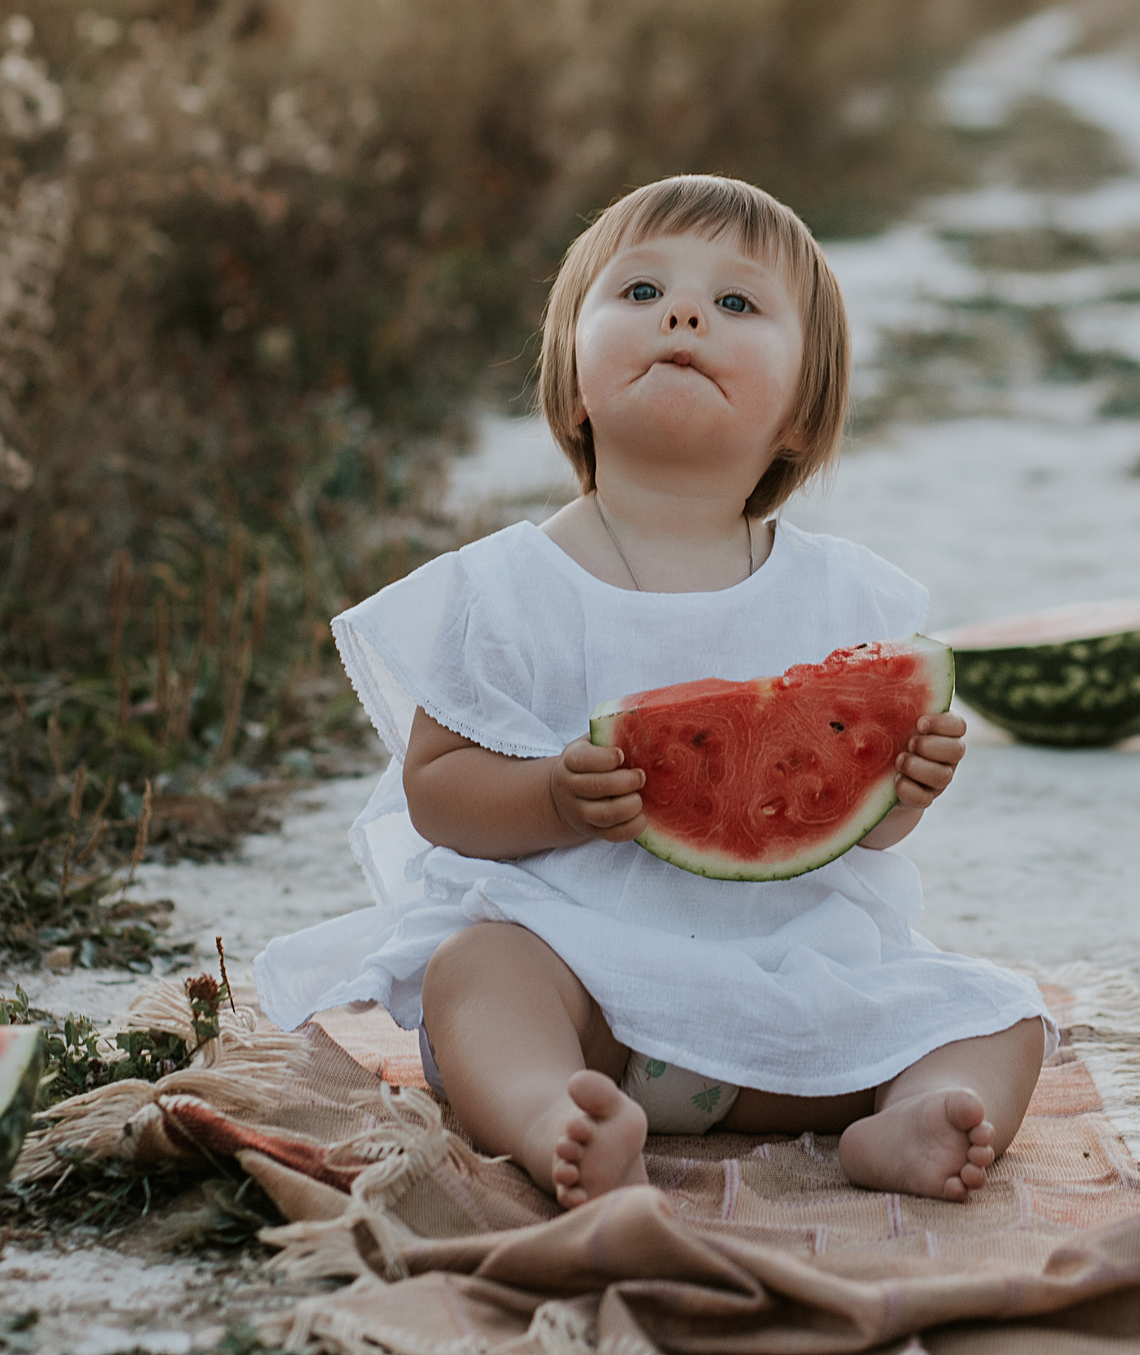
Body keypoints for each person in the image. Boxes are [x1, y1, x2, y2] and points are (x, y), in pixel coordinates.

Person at [254, 174, 1051, 1210]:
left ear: (802, 415)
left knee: (1000, 1014)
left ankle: (899, 1119)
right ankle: (557, 1116)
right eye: (639, 292)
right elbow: (436, 790)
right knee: (475, 972)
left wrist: (901, 793)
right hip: (582, 990)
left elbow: (848, 825)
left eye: (736, 304)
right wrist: (547, 799)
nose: (682, 315)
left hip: (785, 990)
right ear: (573, 384)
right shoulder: (506, 588)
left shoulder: (846, 595)